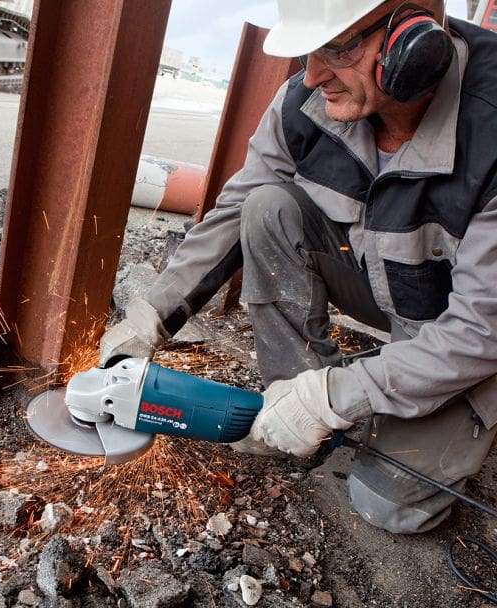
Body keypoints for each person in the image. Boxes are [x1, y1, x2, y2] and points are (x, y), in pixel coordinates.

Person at [99, 0, 497, 534]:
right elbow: (235, 210)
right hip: (382, 283)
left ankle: (357, 399)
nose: (312, 75)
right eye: (308, 51)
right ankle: (294, 406)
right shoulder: (303, 104)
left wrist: (338, 396)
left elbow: (481, 330)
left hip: (466, 331)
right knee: (266, 206)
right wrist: (152, 314)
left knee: (388, 505)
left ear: (413, 40)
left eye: (334, 48)